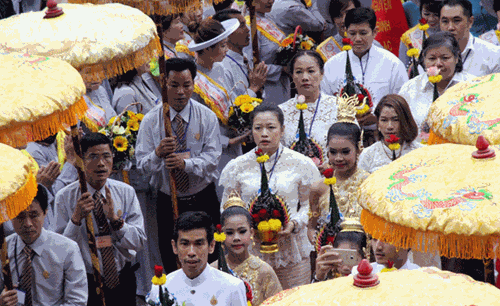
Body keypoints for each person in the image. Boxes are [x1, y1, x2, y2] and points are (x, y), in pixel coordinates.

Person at [219, 104, 322, 289]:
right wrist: (246, 230)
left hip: (292, 252)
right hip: (252, 252)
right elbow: (227, 209)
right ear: (251, 131)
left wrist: (294, 223)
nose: (264, 133)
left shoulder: (301, 164)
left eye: (271, 127)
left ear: (282, 130)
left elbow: (311, 206)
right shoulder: (237, 167)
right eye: (258, 128)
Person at [136, 58, 222, 274]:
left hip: (202, 197)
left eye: (186, 85)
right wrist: (157, 154)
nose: (181, 92)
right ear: (164, 83)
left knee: (210, 258)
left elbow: (213, 159)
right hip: (167, 201)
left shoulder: (207, 117)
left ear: (194, 84)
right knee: (173, 258)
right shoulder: (150, 121)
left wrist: (186, 164)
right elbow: (142, 166)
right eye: (174, 85)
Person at [52, 132, 146, 306]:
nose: (101, 164)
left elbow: (139, 241)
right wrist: (76, 219)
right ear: (81, 160)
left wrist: (116, 221)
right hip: (85, 280)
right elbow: (58, 252)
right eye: (93, 157)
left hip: (122, 277)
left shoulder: (125, 192)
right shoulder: (65, 197)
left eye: (106, 156)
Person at [188, 17, 250, 201]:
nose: (226, 50)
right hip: (214, 149)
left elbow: (233, 102)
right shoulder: (193, 81)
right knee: (225, 195)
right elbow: (195, 125)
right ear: (207, 49)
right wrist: (227, 142)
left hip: (235, 140)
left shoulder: (222, 68)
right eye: (222, 46)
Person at [0, 186, 88, 306]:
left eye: (34, 215)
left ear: (45, 212)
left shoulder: (67, 249)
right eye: (20, 217)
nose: (28, 224)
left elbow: (77, 301)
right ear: (10, 216)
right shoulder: (3, 250)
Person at [146, 211, 247, 306]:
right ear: (174, 246)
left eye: (198, 244)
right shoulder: (161, 288)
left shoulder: (233, 287)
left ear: (211, 246)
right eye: (185, 244)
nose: (191, 252)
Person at [321, 7, 408, 108]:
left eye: (363, 33)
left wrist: (376, 117)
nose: (357, 39)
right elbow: (324, 103)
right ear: (345, 31)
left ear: (374, 32)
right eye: (352, 33)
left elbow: (402, 102)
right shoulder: (331, 65)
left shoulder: (393, 64)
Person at [399, 32, 476, 142]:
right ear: (424, 59)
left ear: (457, 58)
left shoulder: (472, 85)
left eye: (445, 58)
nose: (438, 63)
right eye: (432, 58)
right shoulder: (410, 89)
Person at [211, 195, 282, 306]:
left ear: (252, 233)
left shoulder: (264, 271)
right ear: (221, 235)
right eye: (229, 233)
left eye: (242, 231)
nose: (236, 238)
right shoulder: (212, 271)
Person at [307, 121, 368, 243]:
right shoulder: (318, 188)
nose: (338, 158)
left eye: (345, 152)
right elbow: (312, 227)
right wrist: (318, 242)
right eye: (333, 152)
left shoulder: (370, 184)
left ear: (358, 149)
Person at [279, 50, 337, 171]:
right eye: (299, 72)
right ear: (292, 76)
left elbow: (353, 148)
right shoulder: (281, 112)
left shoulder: (339, 107)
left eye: (311, 71)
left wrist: (330, 166)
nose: (305, 77)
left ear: (322, 74)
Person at [213, 9, 268, 103]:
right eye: (241, 26)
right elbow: (232, 107)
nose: (247, 30)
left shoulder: (243, 57)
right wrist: (254, 87)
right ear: (228, 32)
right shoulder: (223, 66)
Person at [243, 0, 291, 107]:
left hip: (282, 83)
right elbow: (250, 66)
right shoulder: (249, 26)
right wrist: (281, 69)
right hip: (267, 88)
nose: (271, 1)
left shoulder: (267, 19)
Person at [26, 131, 78, 227]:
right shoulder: (32, 150)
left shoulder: (60, 138)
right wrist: (71, 162)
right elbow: (54, 193)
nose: (49, 130)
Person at [358, 94, 422, 174]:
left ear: (405, 121)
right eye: (384, 120)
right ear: (378, 123)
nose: (390, 126)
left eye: (395, 120)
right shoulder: (368, 155)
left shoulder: (420, 151)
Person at [440, 0, 500, 76]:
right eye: (445, 21)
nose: (450, 27)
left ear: (470, 22)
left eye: (456, 21)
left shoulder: (493, 55)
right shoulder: (432, 56)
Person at [316, 0, 382, 63]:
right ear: (332, 19)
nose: (343, 20)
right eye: (338, 15)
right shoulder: (326, 49)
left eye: (349, 13)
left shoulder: (374, 46)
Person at [399, 0, 442, 68]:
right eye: (426, 14)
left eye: (436, 15)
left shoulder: (451, 32)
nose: (431, 19)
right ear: (420, 11)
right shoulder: (409, 37)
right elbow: (403, 67)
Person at [351, 238, 420, 275]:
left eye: (386, 240)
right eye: (374, 239)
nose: (378, 247)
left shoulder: (420, 277)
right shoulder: (359, 274)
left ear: (407, 244)